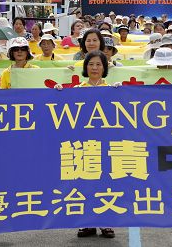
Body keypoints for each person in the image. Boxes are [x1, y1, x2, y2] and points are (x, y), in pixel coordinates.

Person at [54, 50, 117, 239]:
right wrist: (58, 93)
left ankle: (106, 222)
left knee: (106, 182)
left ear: (104, 68)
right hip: (83, 144)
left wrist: (122, 92)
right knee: (84, 181)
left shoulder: (113, 88)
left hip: (106, 144)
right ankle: (87, 222)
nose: (95, 68)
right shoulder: (77, 90)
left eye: (98, 64)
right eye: (91, 64)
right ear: (85, 67)